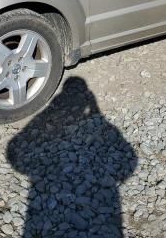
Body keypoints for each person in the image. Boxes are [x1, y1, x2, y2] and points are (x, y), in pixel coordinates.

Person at [7, 76, 138, 237]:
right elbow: (131, 159)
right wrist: (117, 178)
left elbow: (14, 151)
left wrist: (34, 172)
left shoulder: (50, 116)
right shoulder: (101, 127)